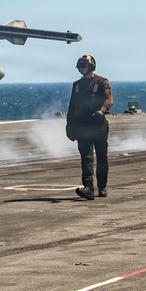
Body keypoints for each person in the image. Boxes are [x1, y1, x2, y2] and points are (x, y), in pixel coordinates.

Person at [65, 54, 113, 200]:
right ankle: (88, 188)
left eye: (83, 65)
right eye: (79, 65)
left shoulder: (102, 82)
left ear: (91, 67)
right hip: (82, 125)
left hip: (98, 124)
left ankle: (102, 187)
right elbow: (72, 106)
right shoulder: (77, 85)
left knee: (101, 157)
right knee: (86, 158)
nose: (80, 68)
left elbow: (108, 99)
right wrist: (69, 125)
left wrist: (102, 110)